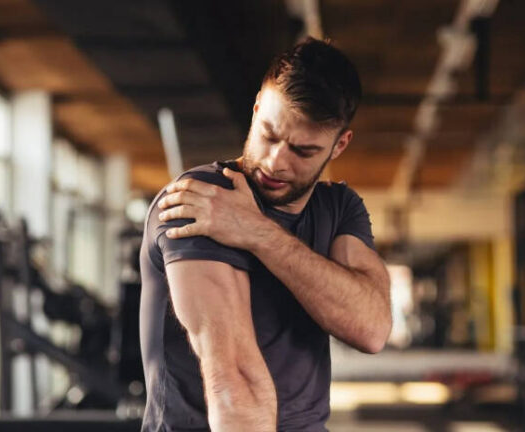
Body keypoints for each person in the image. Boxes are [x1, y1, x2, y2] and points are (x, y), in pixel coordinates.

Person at [139, 37, 392, 432]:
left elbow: (372, 328)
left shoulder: (338, 207)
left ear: (339, 145)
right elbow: (233, 382)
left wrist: (258, 232)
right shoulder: (203, 200)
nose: (276, 162)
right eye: (269, 134)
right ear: (257, 108)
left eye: (303, 151)